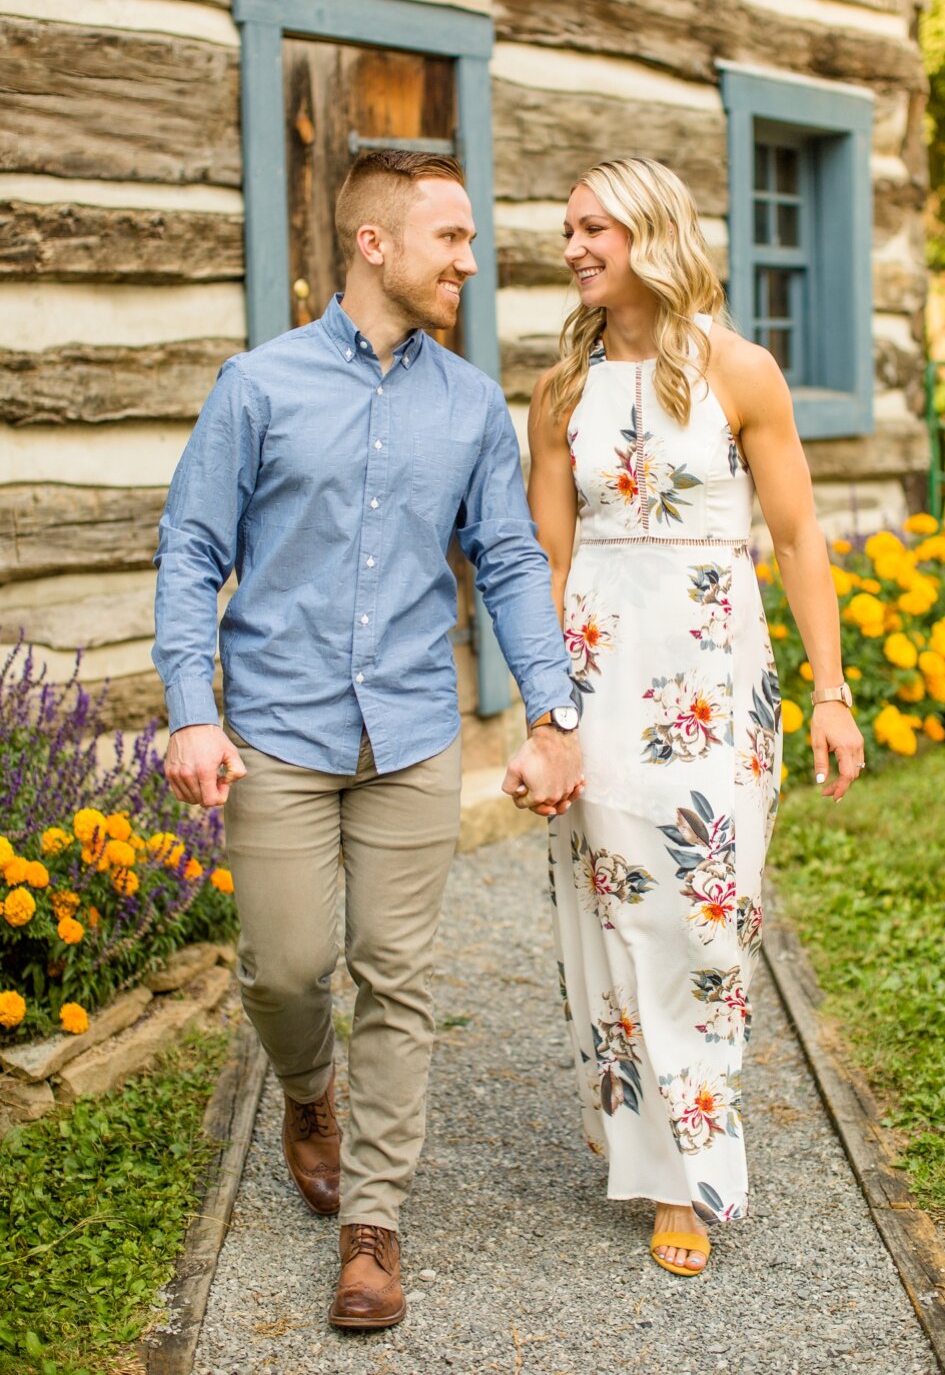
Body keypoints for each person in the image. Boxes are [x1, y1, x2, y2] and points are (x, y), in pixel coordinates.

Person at [154, 150, 584, 1330]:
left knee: (398, 980)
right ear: (374, 244)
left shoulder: (467, 405)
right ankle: (307, 1095)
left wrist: (551, 713)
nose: (470, 259)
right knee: (287, 969)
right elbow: (193, 550)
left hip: (408, 729)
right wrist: (193, 707)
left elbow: (503, 558)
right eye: (450, 237)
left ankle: (373, 1229)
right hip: (279, 729)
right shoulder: (258, 386)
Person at [524, 157, 865, 1278]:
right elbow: (546, 556)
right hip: (599, 677)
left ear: (652, 234)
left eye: (596, 229)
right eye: (569, 230)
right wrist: (545, 713)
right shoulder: (558, 393)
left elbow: (799, 536)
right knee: (617, 919)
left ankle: (697, 1144)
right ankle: (662, 1168)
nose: (575, 246)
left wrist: (829, 691)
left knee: (707, 922)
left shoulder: (739, 370)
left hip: (718, 677)